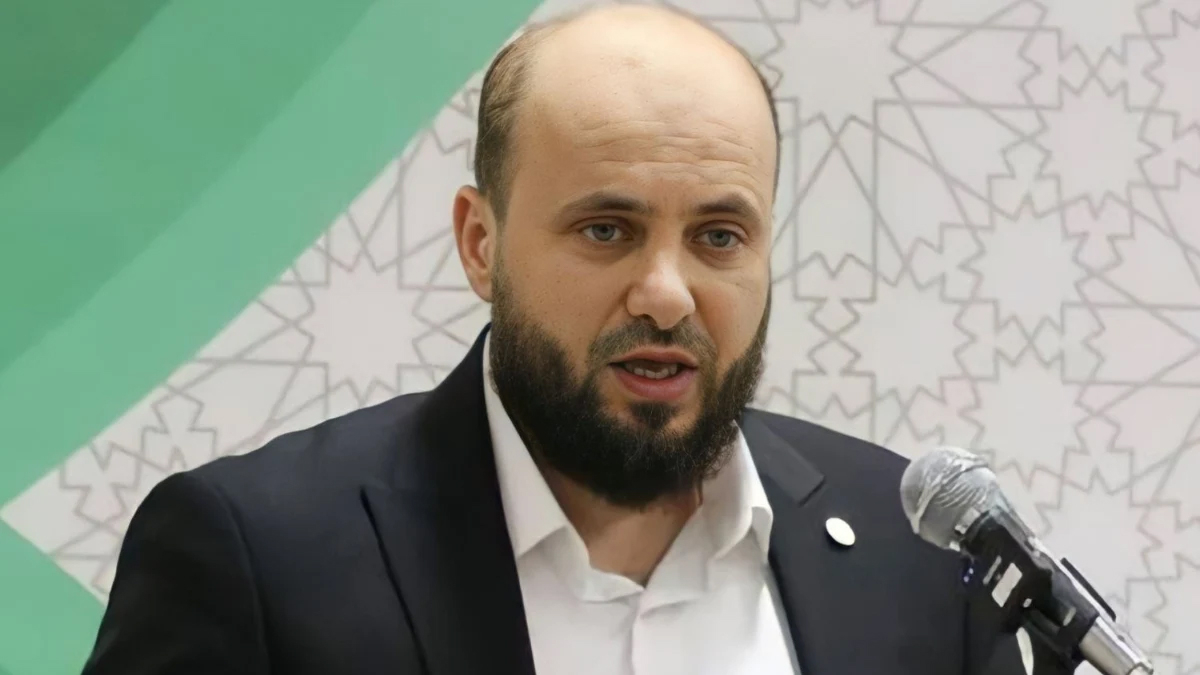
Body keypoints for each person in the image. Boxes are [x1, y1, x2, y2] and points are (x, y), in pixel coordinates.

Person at [82, 6, 1031, 675]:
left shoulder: (919, 562)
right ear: (479, 243)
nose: (667, 295)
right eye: (607, 229)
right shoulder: (258, 560)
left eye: (718, 236)